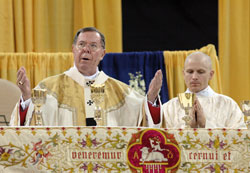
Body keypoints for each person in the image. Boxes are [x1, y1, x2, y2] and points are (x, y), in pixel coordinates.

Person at [10, 27, 162, 126]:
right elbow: (28, 126)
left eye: (93, 46)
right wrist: (26, 98)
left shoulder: (121, 91)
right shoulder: (48, 87)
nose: (86, 50)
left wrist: (151, 98)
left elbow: (143, 118)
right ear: (73, 50)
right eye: (81, 45)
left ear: (103, 54)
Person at [148, 51, 246, 129]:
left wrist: (205, 124)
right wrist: (151, 97)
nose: (194, 77)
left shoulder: (228, 105)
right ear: (183, 74)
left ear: (211, 74)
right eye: (190, 72)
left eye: (200, 72)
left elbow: (239, 142)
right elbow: (157, 138)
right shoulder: (170, 107)